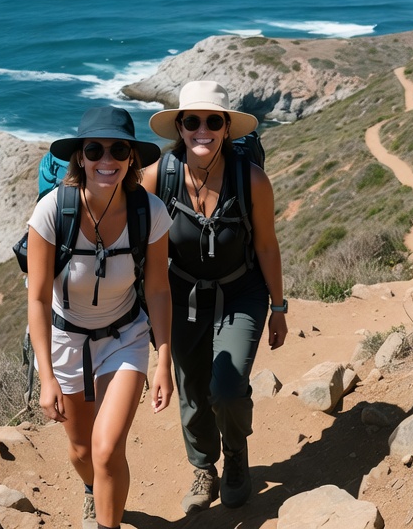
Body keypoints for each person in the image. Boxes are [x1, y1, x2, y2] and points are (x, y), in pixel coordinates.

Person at [143, 81, 288, 513]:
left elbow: (267, 246)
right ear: (180, 128)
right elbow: (140, 248)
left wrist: (278, 308)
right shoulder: (158, 178)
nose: (201, 130)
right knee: (191, 388)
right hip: (181, 294)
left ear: (227, 128)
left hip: (241, 291)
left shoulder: (251, 179)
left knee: (226, 387)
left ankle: (236, 456)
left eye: (213, 121)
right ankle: (203, 467)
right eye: (192, 121)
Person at [26, 106, 173, 529]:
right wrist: (46, 377)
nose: (106, 160)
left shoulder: (149, 212)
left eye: (118, 150)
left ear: (132, 157)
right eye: (95, 150)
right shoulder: (53, 212)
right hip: (65, 341)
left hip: (124, 337)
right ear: (80, 157)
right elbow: (37, 298)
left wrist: (163, 361)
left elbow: (158, 289)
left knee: (107, 450)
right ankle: (94, 491)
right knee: (82, 451)